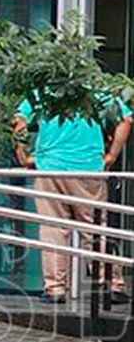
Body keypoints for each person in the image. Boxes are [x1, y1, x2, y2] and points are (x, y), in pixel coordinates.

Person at [13, 95, 131, 305]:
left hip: (50, 168)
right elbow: (127, 119)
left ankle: (55, 289)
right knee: (94, 228)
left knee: (53, 229)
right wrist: (112, 156)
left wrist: (22, 155)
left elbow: (19, 120)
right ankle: (112, 284)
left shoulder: (40, 90)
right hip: (89, 169)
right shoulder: (98, 90)